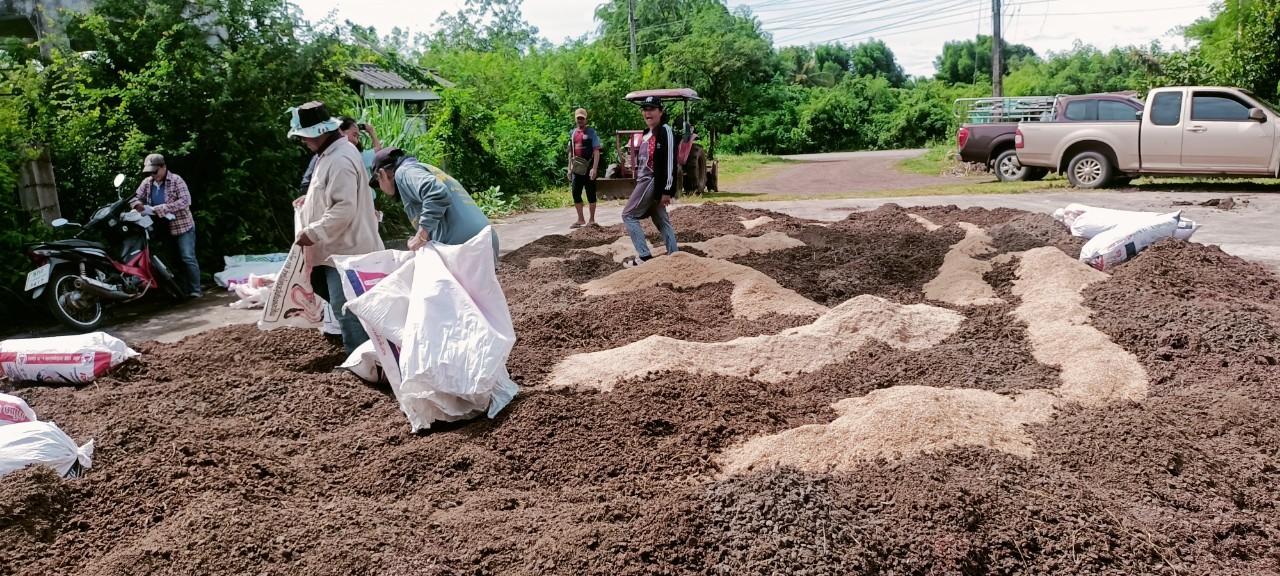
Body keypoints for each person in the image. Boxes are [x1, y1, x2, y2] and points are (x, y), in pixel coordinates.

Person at [288, 101, 384, 353]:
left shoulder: (340, 159)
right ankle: (368, 354)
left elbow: (343, 208)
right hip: (333, 249)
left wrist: (313, 232)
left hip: (345, 250)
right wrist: (309, 201)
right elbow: (329, 195)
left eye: (303, 137)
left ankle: (361, 361)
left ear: (319, 133)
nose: (303, 142)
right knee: (343, 304)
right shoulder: (329, 155)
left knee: (347, 310)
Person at [369, 147, 499, 259]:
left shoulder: (403, 173)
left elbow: (437, 192)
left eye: (378, 184)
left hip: (465, 247)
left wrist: (421, 236)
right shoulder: (424, 168)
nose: (380, 188)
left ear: (382, 174)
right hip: (484, 241)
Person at [130, 153, 202, 298]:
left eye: (155, 171)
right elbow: (134, 197)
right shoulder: (147, 182)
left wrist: (162, 208)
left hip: (182, 226)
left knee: (187, 257)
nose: (153, 174)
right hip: (162, 227)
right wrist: (137, 204)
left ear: (163, 167)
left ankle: (196, 289)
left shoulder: (176, 180)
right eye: (150, 172)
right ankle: (181, 290)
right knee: (171, 260)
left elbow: (185, 201)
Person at [620, 95, 678, 268]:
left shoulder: (664, 130)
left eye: (652, 109)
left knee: (628, 215)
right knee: (661, 220)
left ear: (661, 112)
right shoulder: (645, 134)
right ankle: (675, 256)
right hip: (644, 180)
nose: (648, 113)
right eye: (645, 109)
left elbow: (670, 161)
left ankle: (644, 256)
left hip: (652, 181)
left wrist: (667, 190)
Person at [299, 117, 382, 196]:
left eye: (357, 137)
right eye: (354, 135)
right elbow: (378, 151)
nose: (356, 141)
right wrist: (371, 131)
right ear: (340, 131)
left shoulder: (349, 155)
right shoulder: (349, 156)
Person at [566, 107, 601, 228]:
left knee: (591, 193)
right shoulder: (573, 133)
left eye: (582, 118)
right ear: (575, 119)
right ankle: (580, 219)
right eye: (578, 118)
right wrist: (569, 168)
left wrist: (594, 168)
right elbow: (570, 152)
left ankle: (592, 220)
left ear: (586, 119)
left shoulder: (591, 132)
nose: (580, 120)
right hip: (577, 168)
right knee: (576, 193)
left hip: (589, 167)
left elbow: (596, 151)